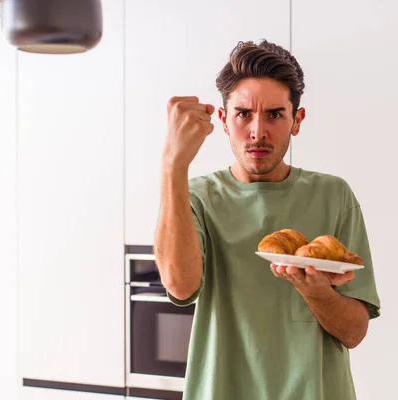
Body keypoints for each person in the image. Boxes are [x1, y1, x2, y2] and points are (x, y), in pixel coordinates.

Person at [154, 39, 381, 400]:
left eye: (275, 114)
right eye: (244, 113)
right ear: (225, 121)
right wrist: (173, 164)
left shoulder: (334, 196)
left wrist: (316, 290)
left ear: (297, 120)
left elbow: (353, 333)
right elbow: (180, 287)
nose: (258, 131)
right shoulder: (194, 196)